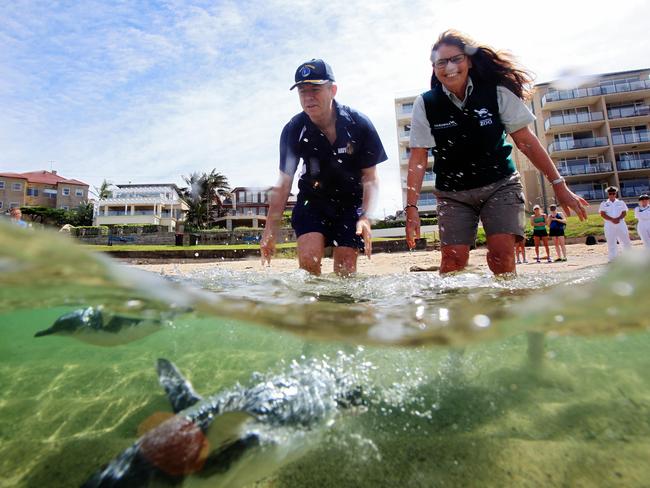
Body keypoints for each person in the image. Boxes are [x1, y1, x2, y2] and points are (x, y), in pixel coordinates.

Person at [405, 30, 588, 275]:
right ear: (434, 68)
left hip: (500, 185)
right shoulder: (426, 103)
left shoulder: (496, 92)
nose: (449, 67)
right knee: (452, 262)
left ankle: (506, 308)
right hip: (452, 194)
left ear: (469, 61)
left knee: (501, 255)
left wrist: (558, 184)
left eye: (456, 59)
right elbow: (418, 159)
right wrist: (412, 209)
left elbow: (526, 142)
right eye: (441, 62)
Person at [260, 59, 387, 276]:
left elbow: (370, 177)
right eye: (302, 90)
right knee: (309, 261)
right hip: (313, 201)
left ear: (333, 90)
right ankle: (313, 309)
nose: (308, 97)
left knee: (345, 269)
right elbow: (284, 184)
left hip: (350, 203)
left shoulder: (359, 124)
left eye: (315, 89)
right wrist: (270, 230)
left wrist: (365, 216)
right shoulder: (294, 129)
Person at [599, 186, 632, 261]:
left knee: (625, 240)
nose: (612, 195)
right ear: (608, 194)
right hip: (609, 224)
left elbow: (624, 212)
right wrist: (612, 219)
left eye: (613, 193)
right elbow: (602, 214)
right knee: (611, 241)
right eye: (610, 193)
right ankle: (613, 258)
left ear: (615, 194)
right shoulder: (604, 203)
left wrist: (618, 218)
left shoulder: (621, 202)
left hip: (620, 223)